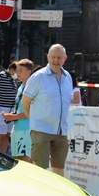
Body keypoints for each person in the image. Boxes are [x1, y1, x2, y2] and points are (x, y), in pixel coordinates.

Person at [21, 44, 73, 176]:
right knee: (41, 171)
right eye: (53, 57)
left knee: (59, 171)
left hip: (61, 130)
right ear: (47, 57)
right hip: (41, 130)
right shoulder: (38, 77)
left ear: (65, 58)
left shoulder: (68, 78)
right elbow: (25, 102)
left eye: (59, 57)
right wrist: (32, 121)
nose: (56, 60)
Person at [1, 59, 35, 163]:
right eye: (17, 70)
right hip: (17, 129)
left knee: (25, 161)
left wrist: (13, 117)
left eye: (21, 71)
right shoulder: (21, 87)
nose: (17, 73)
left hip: (26, 130)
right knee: (17, 161)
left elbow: (31, 112)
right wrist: (10, 115)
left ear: (29, 72)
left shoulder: (32, 87)